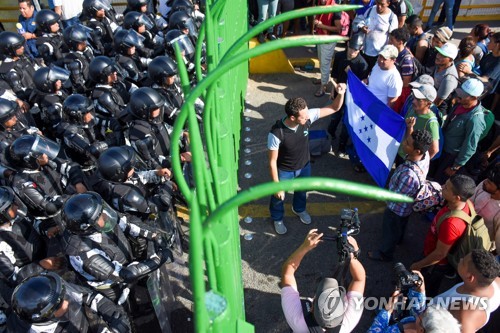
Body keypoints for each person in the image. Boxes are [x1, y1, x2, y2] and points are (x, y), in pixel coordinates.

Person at [268, 84, 346, 234]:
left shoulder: (307, 116)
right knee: (278, 197)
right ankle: (277, 218)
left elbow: (334, 108)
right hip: (285, 171)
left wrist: (341, 94)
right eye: (303, 117)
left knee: (302, 191)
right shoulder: (276, 133)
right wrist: (276, 185)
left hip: (304, 166)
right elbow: (272, 162)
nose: (308, 117)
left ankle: (299, 209)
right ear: (293, 117)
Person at [281, 229, 365, 332]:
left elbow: (287, 273)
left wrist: (304, 247)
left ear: (311, 308)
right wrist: (352, 256)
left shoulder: (297, 319)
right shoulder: (348, 322)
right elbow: (359, 280)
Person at [368, 128, 433, 262]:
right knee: (400, 226)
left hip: (396, 209)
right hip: (406, 208)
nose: (404, 143)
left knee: (391, 229)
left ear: (417, 151)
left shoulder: (409, 175)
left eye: (408, 143)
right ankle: (399, 239)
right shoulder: (425, 157)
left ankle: (385, 253)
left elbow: (395, 196)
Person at [410, 174, 477, 297]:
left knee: (425, 290)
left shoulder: (451, 224)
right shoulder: (466, 202)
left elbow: (440, 254)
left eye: (446, 188)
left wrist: (419, 265)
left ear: (456, 197)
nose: (442, 187)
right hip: (433, 255)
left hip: (434, 265)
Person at [9, 271, 132, 333]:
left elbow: (88, 295)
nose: (68, 301)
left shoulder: (58, 293)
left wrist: (113, 316)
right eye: (61, 303)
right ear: (47, 317)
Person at [433, 78, 491, 184]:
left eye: (463, 96)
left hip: (450, 157)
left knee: (437, 183)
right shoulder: (460, 104)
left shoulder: (476, 120)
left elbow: (470, 146)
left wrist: (455, 167)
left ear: (474, 97)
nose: (458, 98)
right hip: (441, 148)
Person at [367, 271, 461, 333]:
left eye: (422, 315)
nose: (422, 311)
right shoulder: (423, 325)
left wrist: (387, 310)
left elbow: (374, 331)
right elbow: (419, 310)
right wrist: (421, 289)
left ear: (421, 330)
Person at [432, 249, 500, 332]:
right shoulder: (496, 282)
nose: (460, 259)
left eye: (463, 262)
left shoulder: (465, 314)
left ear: (470, 277)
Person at [328, 36, 369, 154]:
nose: (351, 52)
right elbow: (334, 75)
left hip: (352, 97)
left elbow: (361, 86)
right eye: (350, 48)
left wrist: (350, 74)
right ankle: (330, 133)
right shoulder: (339, 56)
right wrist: (333, 90)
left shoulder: (362, 64)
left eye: (355, 50)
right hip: (338, 91)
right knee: (335, 115)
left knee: (347, 121)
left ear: (360, 49)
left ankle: (341, 146)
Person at [398, 80, 440, 161]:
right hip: (401, 152)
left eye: (419, 100)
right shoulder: (412, 108)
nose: (413, 101)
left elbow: (435, 150)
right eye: (414, 98)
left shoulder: (431, 123)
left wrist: (418, 162)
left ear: (428, 104)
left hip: (410, 160)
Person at [312, 0, 345, 97]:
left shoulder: (335, 9)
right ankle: (324, 79)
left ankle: (323, 87)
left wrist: (321, 25)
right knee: (321, 60)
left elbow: (338, 28)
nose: (322, 0)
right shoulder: (321, 4)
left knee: (325, 62)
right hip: (321, 37)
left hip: (329, 40)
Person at [355, 0, 398, 70]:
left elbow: (392, 38)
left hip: (379, 55)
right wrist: (362, 27)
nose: (379, 6)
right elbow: (361, 20)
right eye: (377, 3)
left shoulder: (392, 17)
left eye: (382, 4)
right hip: (364, 51)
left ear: (388, 4)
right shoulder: (371, 10)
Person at [470, 165, 500, 251]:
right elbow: (469, 200)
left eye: (490, 183)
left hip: (477, 247)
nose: (485, 182)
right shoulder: (484, 185)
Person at [366, 44, 403, 110]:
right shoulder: (377, 65)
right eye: (380, 56)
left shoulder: (395, 79)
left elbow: (391, 102)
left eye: (385, 59)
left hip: (376, 111)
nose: (381, 60)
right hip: (365, 103)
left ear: (393, 60)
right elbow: (371, 80)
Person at [389, 27, 417, 113]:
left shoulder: (406, 60)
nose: (389, 42)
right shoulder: (393, 52)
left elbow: (406, 83)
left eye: (392, 40)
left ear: (400, 42)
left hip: (399, 92)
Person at [432, 42, 459, 118]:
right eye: (439, 53)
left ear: (450, 59)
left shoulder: (449, 79)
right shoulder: (440, 65)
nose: (438, 56)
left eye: (442, 55)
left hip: (439, 108)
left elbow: (437, 102)